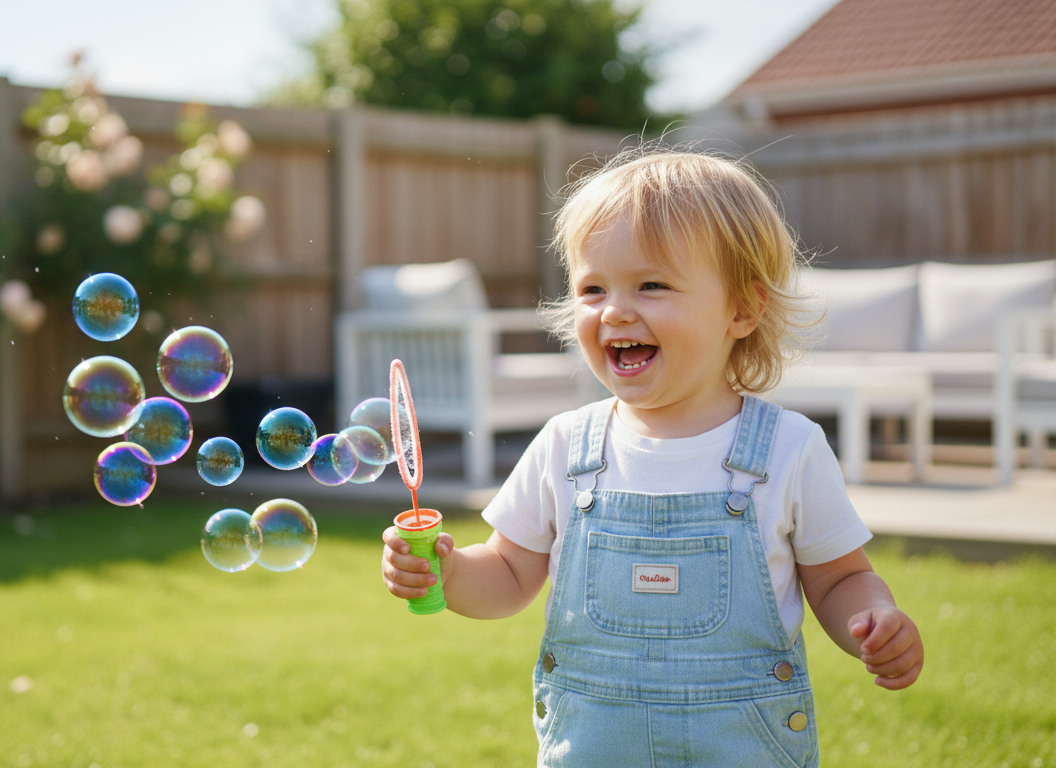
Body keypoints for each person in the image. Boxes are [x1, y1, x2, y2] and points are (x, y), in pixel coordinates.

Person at [380, 150, 924, 766]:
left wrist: (875, 617)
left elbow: (840, 578)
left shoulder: (788, 449)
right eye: (592, 289)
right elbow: (507, 573)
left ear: (742, 309)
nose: (614, 310)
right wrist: (450, 573)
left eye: (651, 285)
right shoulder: (564, 446)